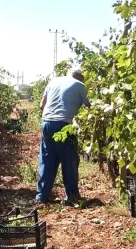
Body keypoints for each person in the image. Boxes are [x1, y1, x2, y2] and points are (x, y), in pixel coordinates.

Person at [36, 68, 91, 205]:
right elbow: (89, 106)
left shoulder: (53, 81)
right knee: (69, 160)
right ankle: (71, 197)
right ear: (80, 77)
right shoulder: (80, 85)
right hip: (65, 124)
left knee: (47, 160)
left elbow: (42, 105)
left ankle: (41, 197)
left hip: (47, 123)